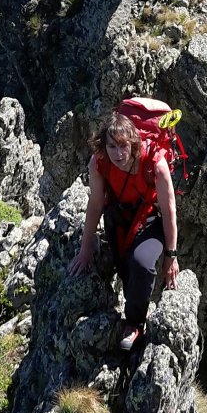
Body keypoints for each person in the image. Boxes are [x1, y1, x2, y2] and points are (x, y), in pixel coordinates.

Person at [68, 108, 179, 351]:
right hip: (118, 218)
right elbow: (95, 204)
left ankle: (134, 324)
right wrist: (85, 249)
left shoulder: (155, 164)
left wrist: (171, 256)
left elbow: (169, 209)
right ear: (103, 145)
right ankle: (135, 311)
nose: (118, 154)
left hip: (150, 220)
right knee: (126, 270)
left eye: (123, 146)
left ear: (133, 144)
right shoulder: (99, 163)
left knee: (141, 264)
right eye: (112, 146)